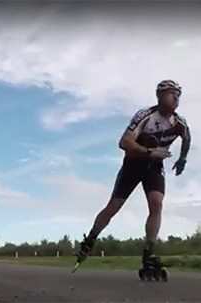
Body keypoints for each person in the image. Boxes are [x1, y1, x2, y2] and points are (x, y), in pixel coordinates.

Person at [74, 80, 191, 275]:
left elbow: (187, 139)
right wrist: (149, 152)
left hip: (154, 166)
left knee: (157, 203)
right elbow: (124, 142)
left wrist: (183, 159)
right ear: (160, 96)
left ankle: (148, 252)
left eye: (179, 94)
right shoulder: (145, 115)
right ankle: (91, 239)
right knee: (114, 207)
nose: (176, 97)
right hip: (133, 164)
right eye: (172, 93)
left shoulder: (180, 123)